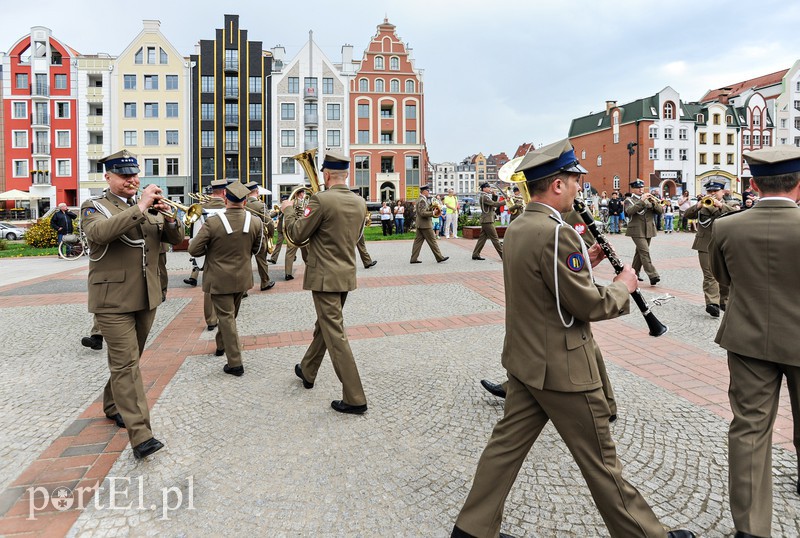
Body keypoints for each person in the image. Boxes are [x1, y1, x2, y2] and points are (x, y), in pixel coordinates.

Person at [451, 139, 694, 538]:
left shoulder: (520, 226)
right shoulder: (557, 234)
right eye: (575, 180)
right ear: (558, 184)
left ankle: (472, 531)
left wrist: (585, 265)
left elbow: (545, 285)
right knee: (601, 461)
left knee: (504, 449)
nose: (580, 187)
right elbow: (587, 305)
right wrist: (623, 285)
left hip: (526, 361)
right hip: (563, 368)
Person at [710, 146, 800, 538]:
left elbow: (722, 278)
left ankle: (750, 529)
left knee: (749, 429)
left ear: (754, 185)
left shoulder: (727, 227)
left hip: (748, 337)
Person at [81, 149, 183, 459]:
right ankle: (141, 436)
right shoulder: (94, 206)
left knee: (129, 359)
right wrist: (140, 206)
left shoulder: (146, 206)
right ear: (108, 177)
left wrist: (170, 217)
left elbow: (174, 239)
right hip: (112, 300)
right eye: (124, 176)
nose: (132, 180)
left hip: (146, 295)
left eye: (134, 175)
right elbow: (100, 233)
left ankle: (112, 403)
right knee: (126, 365)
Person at [282, 152, 369, 414]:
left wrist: (288, 212)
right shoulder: (359, 202)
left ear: (327, 174)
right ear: (347, 174)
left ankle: (355, 397)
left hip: (324, 276)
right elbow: (355, 237)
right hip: (345, 274)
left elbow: (297, 234)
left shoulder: (320, 199)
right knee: (325, 326)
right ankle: (308, 369)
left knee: (335, 334)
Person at [189, 182, 263, 377]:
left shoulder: (213, 222)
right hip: (242, 277)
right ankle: (221, 345)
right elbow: (257, 249)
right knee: (229, 316)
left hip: (219, 278)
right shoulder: (255, 221)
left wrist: (211, 250)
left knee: (227, 317)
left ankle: (235, 363)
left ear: (225, 199)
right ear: (245, 201)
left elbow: (193, 249)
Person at [684, 181, 735, 318]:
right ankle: (712, 303)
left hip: (724, 244)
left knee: (725, 274)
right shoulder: (703, 205)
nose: (712, 194)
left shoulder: (730, 204)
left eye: (715, 191)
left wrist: (720, 206)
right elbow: (687, 214)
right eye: (709, 191)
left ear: (722, 192)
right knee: (709, 274)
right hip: (705, 244)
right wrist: (698, 205)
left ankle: (724, 301)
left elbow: (737, 214)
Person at [185, 180, 227, 331]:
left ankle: (211, 320)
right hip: (227, 253)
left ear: (212, 191)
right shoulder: (229, 208)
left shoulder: (200, 209)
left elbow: (194, 236)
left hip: (208, 255)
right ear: (224, 192)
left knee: (209, 287)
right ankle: (226, 316)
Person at [625, 179, 662, 285]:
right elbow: (630, 211)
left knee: (639, 253)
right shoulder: (629, 200)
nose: (640, 189)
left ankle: (634, 273)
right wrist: (641, 201)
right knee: (645, 252)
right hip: (636, 230)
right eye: (638, 188)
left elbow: (660, 211)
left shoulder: (649, 199)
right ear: (633, 189)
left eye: (641, 187)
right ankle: (653, 275)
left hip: (649, 229)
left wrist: (654, 203)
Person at [245, 181, 276, 291]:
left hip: (245, 236)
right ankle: (265, 282)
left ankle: (244, 289)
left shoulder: (243, 204)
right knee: (262, 261)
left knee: (245, 262)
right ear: (257, 191)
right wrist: (271, 235)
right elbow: (269, 222)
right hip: (259, 237)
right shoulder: (260, 205)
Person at [409, 185, 449, 264]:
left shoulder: (420, 199)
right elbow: (422, 213)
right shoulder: (422, 200)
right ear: (424, 191)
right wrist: (433, 213)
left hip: (420, 224)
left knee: (417, 242)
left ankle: (413, 259)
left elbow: (423, 210)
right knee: (433, 241)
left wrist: (431, 207)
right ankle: (439, 257)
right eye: (428, 191)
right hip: (425, 225)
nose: (429, 192)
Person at [471, 183, 503, 261]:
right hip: (487, 221)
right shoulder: (484, 196)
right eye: (488, 187)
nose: (490, 189)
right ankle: (504, 256)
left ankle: (475, 254)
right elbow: (494, 204)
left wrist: (494, 196)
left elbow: (491, 204)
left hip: (486, 220)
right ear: (484, 188)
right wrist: (506, 201)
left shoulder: (486, 196)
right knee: (495, 239)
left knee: (482, 239)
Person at [284, 188, 308, 281]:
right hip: (302, 230)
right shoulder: (303, 203)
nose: (303, 194)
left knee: (290, 253)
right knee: (306, 253)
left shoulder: (290, 203)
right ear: (300, 194)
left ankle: (288, 273)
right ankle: (310, 271)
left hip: (292, 230)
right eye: (303, 193)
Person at [269, 196, 289, 264]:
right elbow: (273, 214)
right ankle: (273, 259)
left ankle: (293, 256)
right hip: (281, 229)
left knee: (290, 245)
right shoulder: (280, 208)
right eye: (282, 201)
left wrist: (283, 212)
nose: (283, 202)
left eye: (284, 201)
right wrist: (268, 215)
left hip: (288, 229)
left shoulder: (290, 208)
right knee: (278, 244)